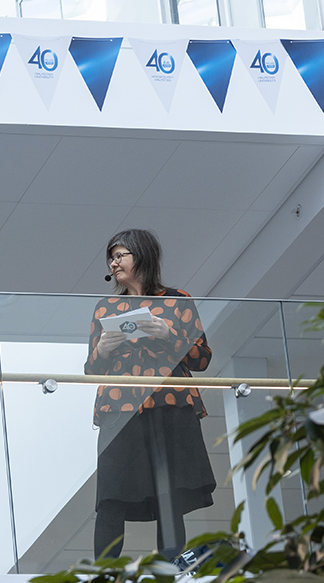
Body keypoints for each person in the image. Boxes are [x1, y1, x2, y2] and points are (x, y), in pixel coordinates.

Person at [84, 229, 216, 560]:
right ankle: (104, 573)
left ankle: (170, 569)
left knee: (169, 493)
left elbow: (201, 359)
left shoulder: (177, 300)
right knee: (111, 494)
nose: (113, 263)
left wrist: (169, 334)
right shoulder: (106, 307)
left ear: (141, 255)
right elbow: (91, 370)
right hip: (120, 407)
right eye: (111, 258)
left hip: (169, 405)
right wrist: (102, 349)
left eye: (120, 255)